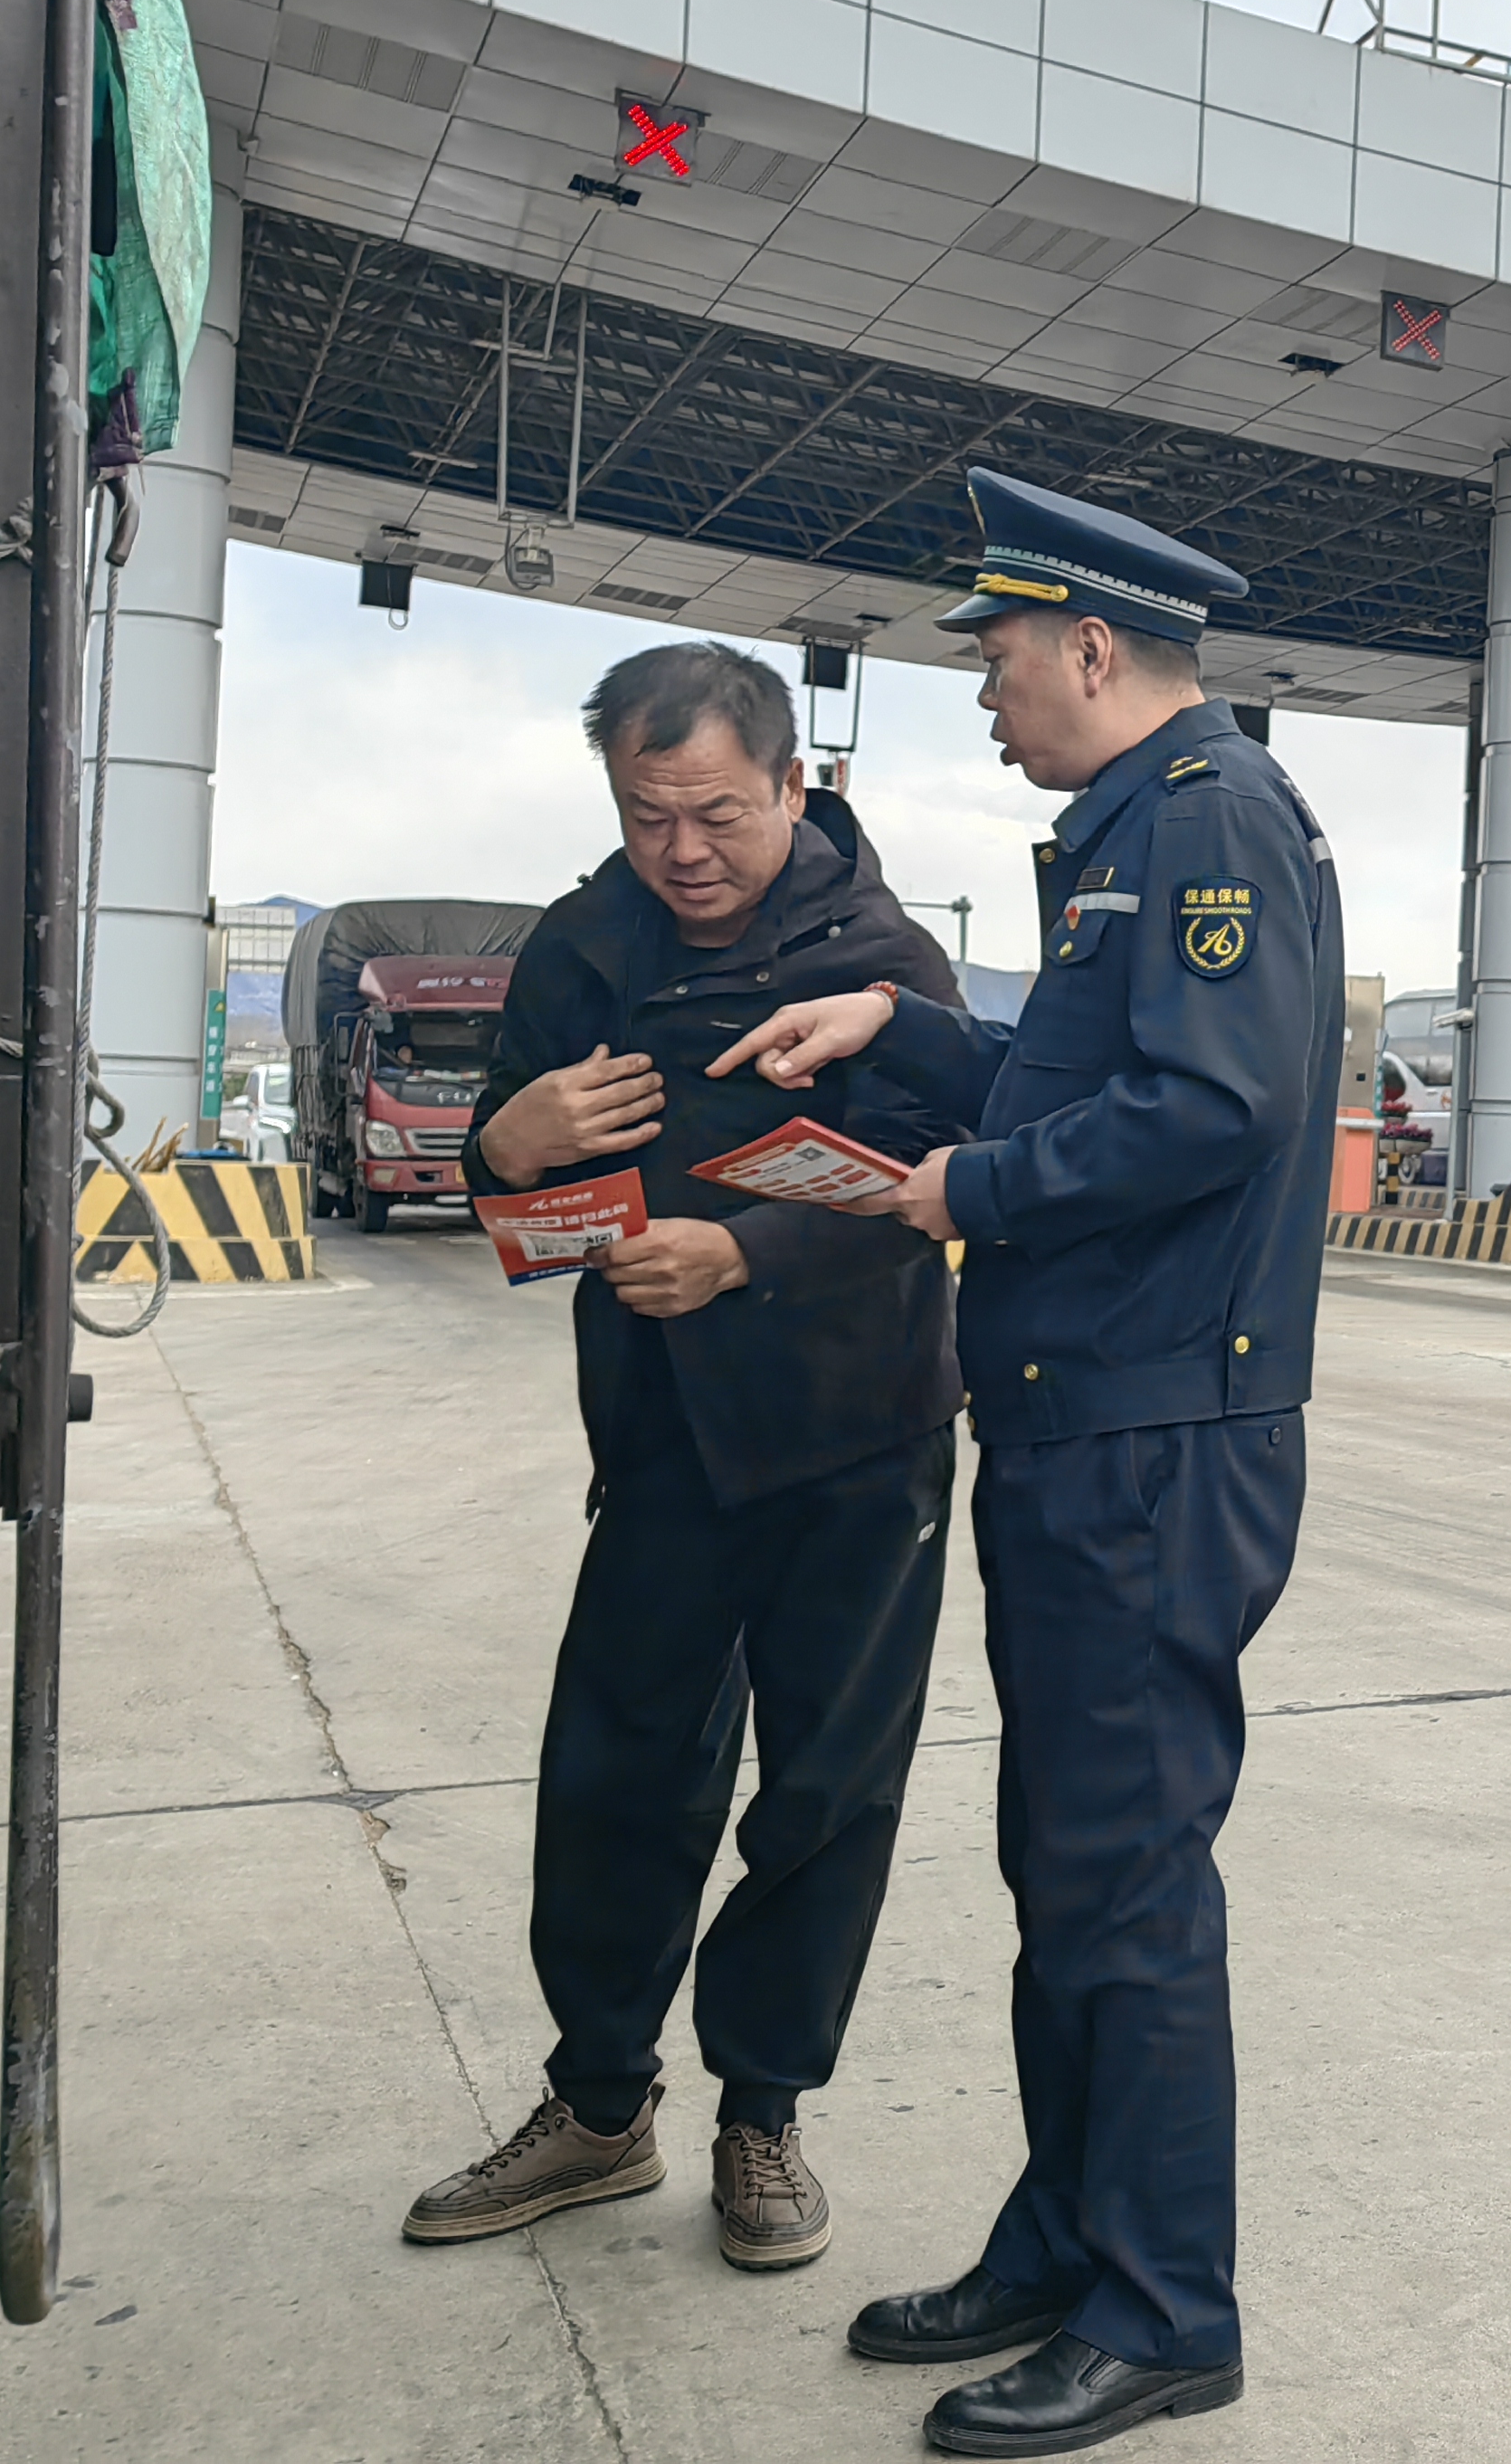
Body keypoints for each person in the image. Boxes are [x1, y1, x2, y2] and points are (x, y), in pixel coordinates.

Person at [713, 466, 1343, 2457]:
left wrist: (966, 1192)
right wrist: (893, 1025)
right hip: (1090, 1424)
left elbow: (1215, 1109)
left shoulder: (1212, 815)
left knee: (1124, 1882)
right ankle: (1069, 2245)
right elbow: (1071, 1082)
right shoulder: (1135, 830)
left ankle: (1165, 2309)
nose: (982, 695)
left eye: (995, 657)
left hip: (1156, 1439)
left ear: (1088, 644)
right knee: (1066, 1868)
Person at [404, 643, 968, 2275]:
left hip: (860, 1440)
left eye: (718, 812)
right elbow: (520, 1214)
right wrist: (498, 1148)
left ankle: (764, 2112)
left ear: (795, 783)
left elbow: (949, 1177)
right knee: (616, 1776)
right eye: (647, 815)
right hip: (660, 1440)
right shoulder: (580, 948)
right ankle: (598, 2108)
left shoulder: (882, 962)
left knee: (826, 1790)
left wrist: (746, 1257)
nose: (684, 851)